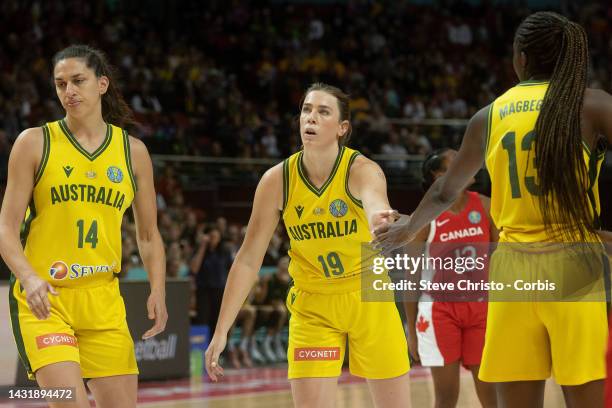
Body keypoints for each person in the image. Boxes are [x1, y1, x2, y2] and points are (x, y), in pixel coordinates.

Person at [374, 12, 611, 408]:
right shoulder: (591, 103)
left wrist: (406, 228)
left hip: (513, 273)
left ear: (520, 59)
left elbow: (444, 192)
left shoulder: (490, 114)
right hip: (574, 265)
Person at [205, 83, 411, 408]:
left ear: (343, 128)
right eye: (306, 109)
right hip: (313, 306)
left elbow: (376, 203)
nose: (310, 118)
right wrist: (221, 331)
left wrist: (380, 222)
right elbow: (247, 259)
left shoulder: (362, 170)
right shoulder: (277, 180)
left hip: (369, 298)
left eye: (323, 111)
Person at [0, 45, 167, 408]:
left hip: (103, 300)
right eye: (60, 84)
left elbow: (149, 235)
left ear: (102, 84)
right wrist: (28, 278)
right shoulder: (34, 143)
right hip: (46, 301)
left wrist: (158, 289)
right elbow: (6, 229)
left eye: (78, 81)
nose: (68, 91)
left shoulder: (132, 152)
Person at [405, 149, 497, 408]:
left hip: (481, 307)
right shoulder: (424, 217)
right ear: (439, 176)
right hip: (439, 311)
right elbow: (410, 280)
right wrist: (411, 330)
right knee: (446, 397)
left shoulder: (487, 205)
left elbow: (503, 262)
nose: (468, 162)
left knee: (492, 395)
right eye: (456, 161)